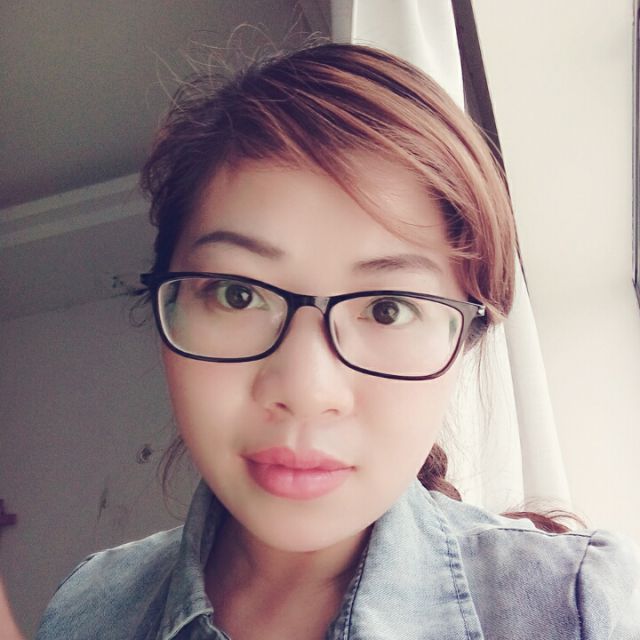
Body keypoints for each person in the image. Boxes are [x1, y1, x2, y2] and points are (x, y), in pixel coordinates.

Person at [35, 41, 639, 639]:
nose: (306, 390)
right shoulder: (90, 607)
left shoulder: (577, 607)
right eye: (238, 295)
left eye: (387, 309)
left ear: (467, 338)